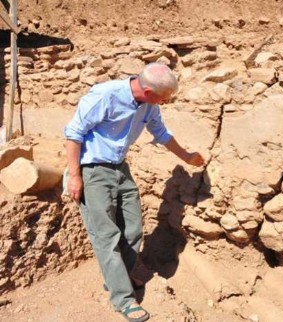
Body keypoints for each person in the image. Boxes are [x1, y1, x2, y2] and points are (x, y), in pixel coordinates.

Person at [64, 62, 205, 322]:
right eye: (164, 98)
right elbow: (74, 133)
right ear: (149, 91)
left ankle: (121, 275)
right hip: (92, 170)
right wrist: (74, 176)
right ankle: (123, 299)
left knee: (133, 229)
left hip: (120, 168)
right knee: (106, 235)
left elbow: (160, 132)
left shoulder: (149, 104)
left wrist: (186, 156)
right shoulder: (106, 95)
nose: (165, 102)